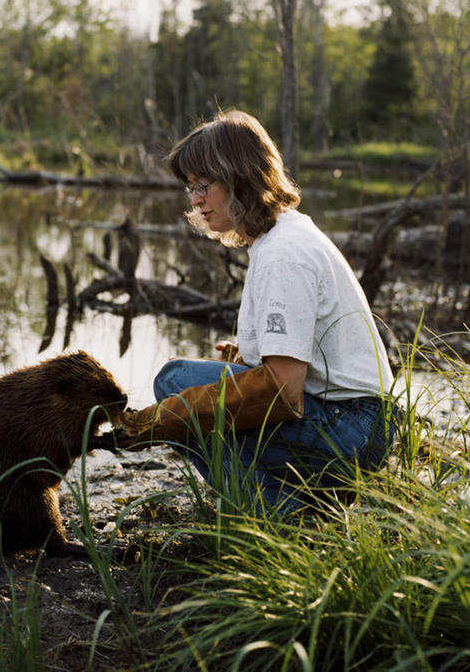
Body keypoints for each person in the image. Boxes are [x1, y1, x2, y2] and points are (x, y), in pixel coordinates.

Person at [116, 109, 397, 516]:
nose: (194, 199)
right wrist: (244, 361)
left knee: (175, 382)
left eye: (203, 185)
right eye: (190, 187)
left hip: (352, 427)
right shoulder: (281, 238)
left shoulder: (284, 254)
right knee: (206, 395)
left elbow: (284, 394)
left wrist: (162, 420)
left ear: (238, 178)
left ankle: (281, 519)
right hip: (355, 423)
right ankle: (309, 505)